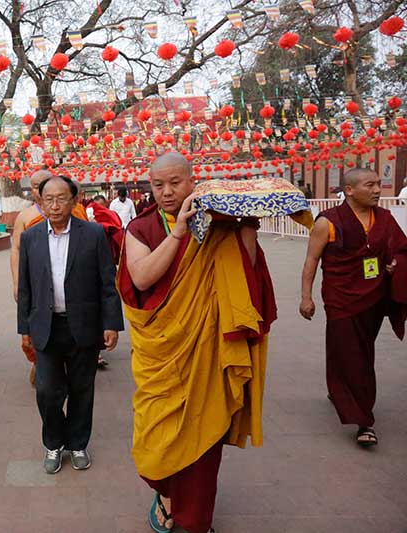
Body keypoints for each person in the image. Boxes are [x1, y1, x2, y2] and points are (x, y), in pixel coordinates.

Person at [119, 153, 275, 533]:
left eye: (175, 182)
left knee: (204, 440)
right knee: (155, 437)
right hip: (161, 353)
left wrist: (246, 235)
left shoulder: (221, 225)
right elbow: (140, 280)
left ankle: (196, 521)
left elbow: (247, 286)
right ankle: (166, 492)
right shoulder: (141, 228)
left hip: (207, 351)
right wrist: (178, 234)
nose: (167, 192)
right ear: (150, 185)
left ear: (193, 181)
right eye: (159, 185)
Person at [17, 175, 123, 474]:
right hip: (46, 326)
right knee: (47, 391)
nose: (54, 204)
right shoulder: (31, 238)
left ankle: (77, 443)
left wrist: (111, 323)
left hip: (83, 326)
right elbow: (25, 288)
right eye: (48, 199)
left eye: (61, 198)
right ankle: (54, 443)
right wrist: (24, 328)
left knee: (81, 389)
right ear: (39, 202)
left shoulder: (93, 234)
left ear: (74, 199)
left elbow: (107, 282)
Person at [300, 168, 407, 448]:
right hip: (340, 297)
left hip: (374, 295)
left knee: (358, 349)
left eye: (378, 184)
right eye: (369, 185)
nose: (377, 190)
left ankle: (339, 389)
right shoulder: (328, 222)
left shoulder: (383, 218)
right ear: (349, 190)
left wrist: (395, 263)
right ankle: (363, 421)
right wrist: (305, 297)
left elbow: (399, 249)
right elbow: (312, 259)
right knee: (353, 355)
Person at [11, 170, 87, 385]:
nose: (38, 189)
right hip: (39, 287)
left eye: (42, 184)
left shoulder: (77, 215)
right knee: (40, 334)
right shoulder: (26, 217)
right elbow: (16, 249)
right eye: (35, 186)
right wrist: (17, 281)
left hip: (73, 292)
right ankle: (43, 367)